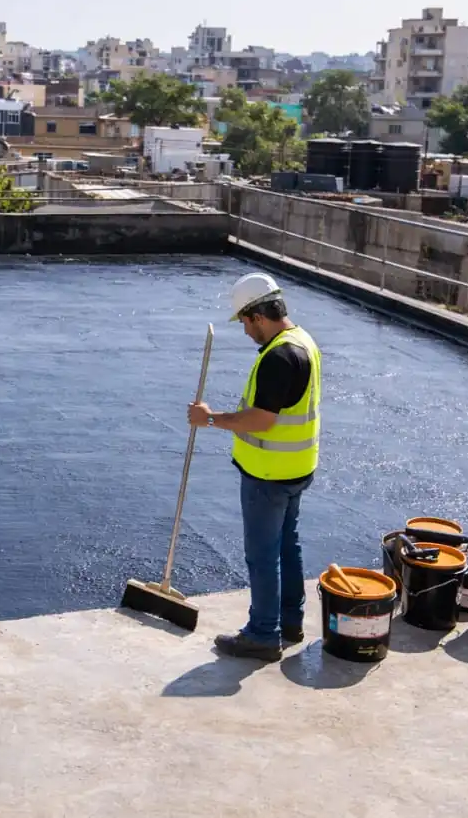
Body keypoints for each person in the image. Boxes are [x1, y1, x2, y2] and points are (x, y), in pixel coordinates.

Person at [187, 272, 322, 662]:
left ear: (258, 316)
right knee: (286, 545)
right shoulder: (304, 342)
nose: (246, 331)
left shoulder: (279, 356)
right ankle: (290, 622)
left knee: (262, 555)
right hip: (298, 468)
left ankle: (263, 635)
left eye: (246, 323)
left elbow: (262, 420)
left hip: (269, 473)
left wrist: (209, 419)